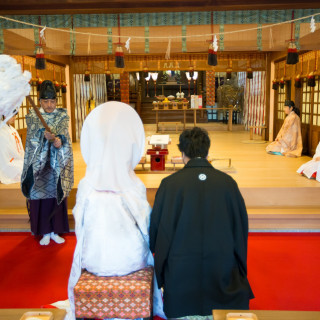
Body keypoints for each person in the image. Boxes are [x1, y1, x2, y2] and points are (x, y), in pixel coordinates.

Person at [68, 101, 165, 320]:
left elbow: (79, 227)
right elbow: (147, 226)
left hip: (94, 259)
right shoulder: (132, 184)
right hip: (129, 261)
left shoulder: (87, 184)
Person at [150, 127, 254, 319]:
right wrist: (239, 268)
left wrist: (163, 273)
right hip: (222, 273)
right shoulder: (228, 183)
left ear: (182, 153)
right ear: (207, 152)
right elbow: (240, 229)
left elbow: (157, 232)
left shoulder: (169, 184)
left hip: (180, 276)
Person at [21, 80, 74, 246]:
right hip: (40, 167)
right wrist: (42, 137)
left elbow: (65, 138)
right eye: (45, 101)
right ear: (40, 102)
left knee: (55, 197)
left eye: (52, 101)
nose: (49, 105)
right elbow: (30, 142)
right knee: (41, 199)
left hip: (56, 165)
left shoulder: (62, 116)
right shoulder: (32, 117)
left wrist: (59, 142)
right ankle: (44, 231)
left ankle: (55, 230)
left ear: (56, 101)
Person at [0, 111, 24, 184]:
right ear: (4, 116)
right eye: (12, 116)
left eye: (15, 116)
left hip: (16, 158)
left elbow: (19, 148)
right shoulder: (1, 131)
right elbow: (6, 152)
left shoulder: (12, 129)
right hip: (7, 161)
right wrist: (19, 158)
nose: (14, 118)